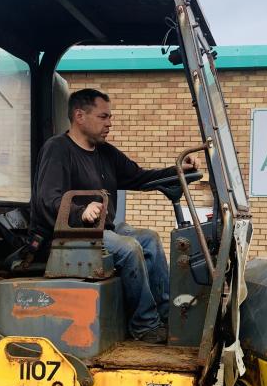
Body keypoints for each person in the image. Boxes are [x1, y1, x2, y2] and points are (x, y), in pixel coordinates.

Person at [31, 88, 195, 343]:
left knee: (149, 239)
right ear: (79, 116)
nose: (109, 123)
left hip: (101, 231)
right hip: (68, 236)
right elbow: (47, 200)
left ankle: (167, 315)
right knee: (128, 248)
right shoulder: (58, 149)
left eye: (110, 117)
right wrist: (80, 211)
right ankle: (144, 325)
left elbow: (139, 177)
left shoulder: (105, 152)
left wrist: (175, 172)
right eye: (103, 116)